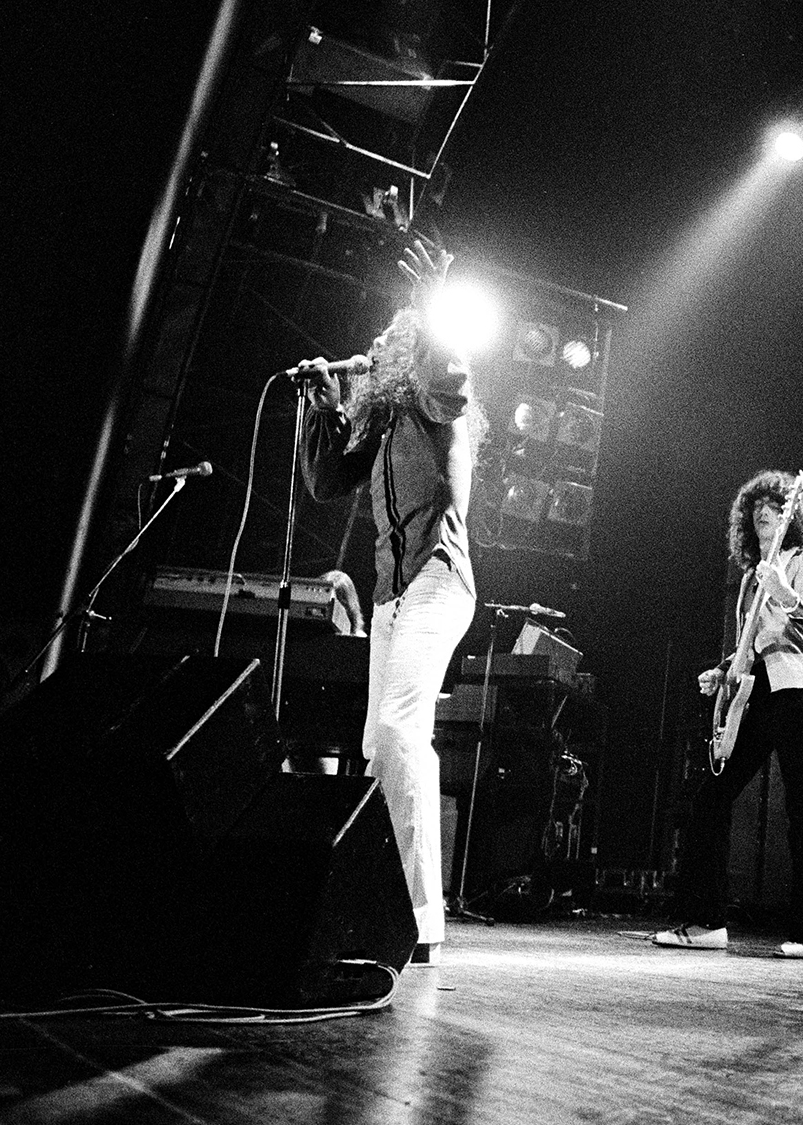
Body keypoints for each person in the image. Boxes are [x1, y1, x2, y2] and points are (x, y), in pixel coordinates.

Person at [297, 237, 481, 968]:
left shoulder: (438, 405)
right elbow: (324, 480)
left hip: (440, 577)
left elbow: (451, 380)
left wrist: (433, 306)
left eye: (389, 341)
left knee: (403, 733)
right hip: (391, 598)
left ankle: (421, 916)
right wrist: (322, 402)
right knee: (381, 745)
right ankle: (390, 902)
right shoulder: (378, 426)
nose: (375, 347)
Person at [655, 470, 803, 959]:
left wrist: (783, 589)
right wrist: (720, 672)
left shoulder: (801, 559)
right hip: (753, 688)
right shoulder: (747, 579)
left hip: (790, 687)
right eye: (755, 505)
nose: (762, 511)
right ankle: (705, 923)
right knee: (712, 797)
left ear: (787, 515)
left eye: (771, 504)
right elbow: (747, 647)